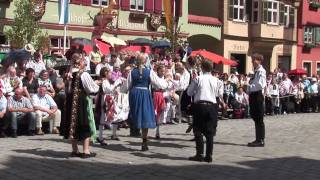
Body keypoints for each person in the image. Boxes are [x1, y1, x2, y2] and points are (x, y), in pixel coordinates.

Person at [60, 53, 100, 158]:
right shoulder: (83, 74)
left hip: (70, 100)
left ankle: (74, 150)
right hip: (80, 100)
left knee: (72, 123)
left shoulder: (68, 74)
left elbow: (67, 89)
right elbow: (92, 89)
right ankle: (86, 151)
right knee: (84, 122)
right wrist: (97, 83)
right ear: (81, 61)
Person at [127, 55, 169, 151]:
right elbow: (159, 84)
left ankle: (135, 130)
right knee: (145, 116)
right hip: (145, 93)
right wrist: (166, 81)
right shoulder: (149, 72)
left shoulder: (132, 72)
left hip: (134, 94)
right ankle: (144, 141)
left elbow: (127, 86)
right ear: (146, 61)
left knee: (137, 114)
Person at [187, 60, 225, 163]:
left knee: (198, 130)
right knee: (210, 132)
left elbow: (189, 92)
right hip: (212, 106)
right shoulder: (218, 81)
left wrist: (197, 91)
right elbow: (219, 95)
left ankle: (199, 154)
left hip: (200, 106)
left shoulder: (198, 79)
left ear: (202, 68)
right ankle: (209, 156)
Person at [248, 53, 267, 147]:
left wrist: (249, 87)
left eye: (253, 59)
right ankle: (258, 138)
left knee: (259, 118)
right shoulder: (256, 71)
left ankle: (260, 140)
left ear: (259, 60)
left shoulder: (261, 71)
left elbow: (260, 84)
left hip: (257, 95)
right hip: (254, 95)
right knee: (256, 117)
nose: (252, 61)